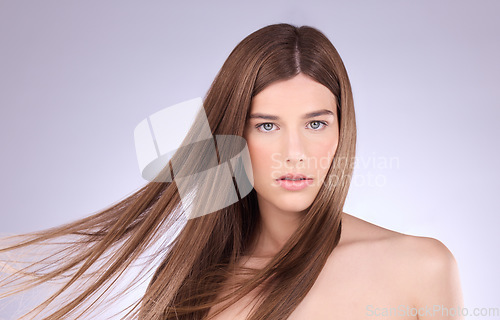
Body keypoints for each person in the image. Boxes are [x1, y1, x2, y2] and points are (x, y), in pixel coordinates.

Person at [0, 23, 463, 320]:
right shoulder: (192, 284)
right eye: (266, 126)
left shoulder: (420, 267)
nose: (295, 152)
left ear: (343, 130)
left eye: (316, 123)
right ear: (231, 138)